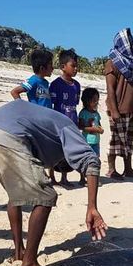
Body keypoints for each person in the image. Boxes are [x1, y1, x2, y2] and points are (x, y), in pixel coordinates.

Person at [0, 99, 107, 266]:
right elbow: (91, 160)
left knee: (15, 194)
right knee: (46, 196)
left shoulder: (46, 129)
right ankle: (28, 264)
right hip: (10, 132)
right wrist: (92, 207)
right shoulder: (68, 127)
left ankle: (19, 252)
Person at [104, 28, 133, 179]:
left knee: (128, 139)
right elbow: (110, 89)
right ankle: (112, 169)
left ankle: (128, 168)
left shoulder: (131, 64)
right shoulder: (112, 63)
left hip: (129, 107)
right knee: (115, 139)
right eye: (129, 42)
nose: (132, 45)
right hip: (117, 107)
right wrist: (114, 110)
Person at [49, 50, 81, 187]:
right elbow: (52, 103)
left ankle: (64, 177)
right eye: (72, 66)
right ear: (63, 67)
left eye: (76, 66)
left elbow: (75, 104)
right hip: (58, 124)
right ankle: (51, 176)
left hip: (71, 124)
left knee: (67, 152)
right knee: (54, 150)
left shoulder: (77, 86)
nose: (75, 69)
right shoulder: (56, 84)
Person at [78, 87, 103, 186]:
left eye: (97, 100)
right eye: (94, 100)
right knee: (85, 159)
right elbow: (81, 126)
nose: (96, 102)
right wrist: (94, 129)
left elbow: (98, 123)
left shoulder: (96, 114)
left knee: (96, 159)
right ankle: (82, 178)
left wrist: (100, 129)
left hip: (96, 141)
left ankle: (94, 178)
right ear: (87, 101)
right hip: (86, 141)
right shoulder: (83, 113)